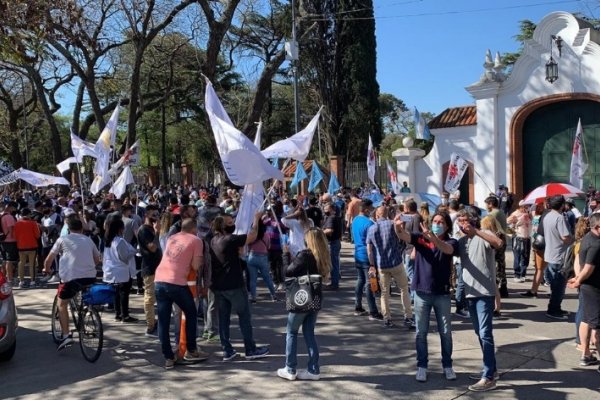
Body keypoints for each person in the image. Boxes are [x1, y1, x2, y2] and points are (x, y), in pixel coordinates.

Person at [394, 211, 458, 382]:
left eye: (441, 221)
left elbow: (448, 250)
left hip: (442, 294)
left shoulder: (451, 241)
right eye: (435, 221)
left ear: (447, 225)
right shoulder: (421, 238)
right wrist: (397, 227)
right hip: (421, 293)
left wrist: (434, 238)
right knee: (420, 333)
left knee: (445, 333)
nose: (437, 224)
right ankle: (422, 365)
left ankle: (447, 365)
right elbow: (404, 235)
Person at [210, 212, 270, 361]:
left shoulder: (214, 240)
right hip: (234, 285)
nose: (233, 225)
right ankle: (250, 349)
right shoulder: (230, 239)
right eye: (230, 223)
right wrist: (256, 218)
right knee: (244, 316)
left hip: (219, 286)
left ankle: (227, 350)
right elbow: (253, 236)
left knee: (224, 319)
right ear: (223, 226)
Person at [456, 210, 503, 392]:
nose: (462, 224)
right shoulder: (461, 241)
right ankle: (490, 368)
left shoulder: (485, 234)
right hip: (470, 292)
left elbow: (498, 243)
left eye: (466, 220)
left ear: (473, 221)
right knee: (479, 332)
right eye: (460, 221)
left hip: (485, 293)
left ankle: (489, 377)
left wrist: (476, 232)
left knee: (485, 333)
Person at [277, 228, 331, 381]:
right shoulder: (323, 255)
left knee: (292, 332)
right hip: (315, 297)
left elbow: (287, 272)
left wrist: (285, 254)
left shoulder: (305, 255)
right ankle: (313, 369)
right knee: (309, 334)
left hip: (301, 297)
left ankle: (290, 368)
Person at [154, 218, 210, 369]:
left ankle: (168, 356)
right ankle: (191, 349)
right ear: (194, 229)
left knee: (164, 321)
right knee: (191, 312)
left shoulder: (172, 237)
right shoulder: (196, 240)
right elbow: (196, 265)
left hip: (159, 279)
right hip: (177, 282)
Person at [43, 217, 101, 350]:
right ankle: (88, 312)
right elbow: (97, 259)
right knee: (84, 297)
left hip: (70, 278)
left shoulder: (63, 240)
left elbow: (48, 260)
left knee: (62, 304)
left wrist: (46, 269)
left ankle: (66, 335)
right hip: (90, 276)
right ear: (81, 228)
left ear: (68, 229)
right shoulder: (88, 239)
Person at [366, 206, 414, 328]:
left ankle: (387, 318)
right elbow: (402, 235)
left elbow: (369, 250)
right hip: (396, 262)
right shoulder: (392, 224)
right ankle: (408, 316)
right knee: (404, 289)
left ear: (377, 215)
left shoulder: (371, 229)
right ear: (387, 214)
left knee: (384, 292)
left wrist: (372, 265)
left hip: (381, 264)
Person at [568, 212, 600, 371]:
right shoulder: (596, 244)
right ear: (597, 227)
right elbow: (588, 268)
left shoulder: (586, 238)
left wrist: (577, 278)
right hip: (594, 289)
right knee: (597, 326)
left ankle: (586, 354)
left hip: (586, 287)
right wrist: (579, 280)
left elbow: (577, 261)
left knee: (586, 320)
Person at [102, 217, 138, 323]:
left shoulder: (108, 240)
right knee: (123, 294)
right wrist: (134, 251)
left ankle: (118, 314)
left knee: (117, 294)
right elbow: (124, 257)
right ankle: (125, 315)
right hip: (121, 271)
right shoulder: (119, 241)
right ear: (120, 229)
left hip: (112, 270)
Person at [351, 199, 382, 320]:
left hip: (358, 254)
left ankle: (358, 306)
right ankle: (373, 311)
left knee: (360, 280)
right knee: (370, 283)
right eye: (371, 208)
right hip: (368, 256)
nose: (372, 210)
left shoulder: (355, 220)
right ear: (366, 209)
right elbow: (374, 242)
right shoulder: (369, 224)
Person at [543, 195, 573, 320]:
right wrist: (573, 238)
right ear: (561, 205)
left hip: (551, 254)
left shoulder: (547, 216)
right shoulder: (559, 218)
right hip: (559, 256)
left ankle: (555, 308)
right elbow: (565, 237)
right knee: (559, 286)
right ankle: (553, 309)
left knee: (555, 285)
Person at [137, 205, 163, 336]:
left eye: (157, 214)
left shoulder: (152, 229)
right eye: (153, 214)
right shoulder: (144, 230)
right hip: (150, 268)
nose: (156, 217)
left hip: (160, 267)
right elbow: (152, 248)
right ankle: (150, 325)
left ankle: (157, 322)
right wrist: (157, 232)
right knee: (150, 298)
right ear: (146, 214)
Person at [246, 217, 277, 303]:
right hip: (263, 257)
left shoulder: (251, 235)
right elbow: (268, 246)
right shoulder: (266, 235)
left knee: (253, 279)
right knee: (267, 278)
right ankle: (273, 296)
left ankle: (253, 297)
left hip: (252, 256)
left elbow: (247, 245)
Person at [485, 196, 509, 298]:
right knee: (501, 264)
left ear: (490, 204)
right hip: (502, 240)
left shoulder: (492, 214)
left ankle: (496, 288)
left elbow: (486, 227)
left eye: (486, 204)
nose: (486, 206)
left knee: (492, 265)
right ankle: (503, 287)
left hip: (495, 241)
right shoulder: (501, 212)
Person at [13, 208, 41, 288]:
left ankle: (21, 282)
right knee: (32, 264)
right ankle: (32, 282)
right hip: (32, 246)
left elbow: (15, 236)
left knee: (21, 263)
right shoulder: (33, 223)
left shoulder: (17, 223)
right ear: (29, 214)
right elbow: (37, 235)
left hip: (21, 246)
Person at [507, 200, 532, 283]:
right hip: (518, 238)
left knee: (526, 257)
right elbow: (507, 223)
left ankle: (523, 274)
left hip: (527, 237)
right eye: (526, 206)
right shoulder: (515, 213)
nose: (527, 207)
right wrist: (513, 225)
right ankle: (517, 275)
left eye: (528, 206)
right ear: (521, 206)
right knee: (517, 256)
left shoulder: (528, 213)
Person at [322, 203, 342, 290]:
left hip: (332, 243)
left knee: (333, 264)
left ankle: (334, 284)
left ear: (331, 209)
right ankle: (334, 282)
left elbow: (330, 230)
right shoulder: (335, 217)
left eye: (326, 209)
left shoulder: (331, 218)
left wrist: (319, 232)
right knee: (334, 263)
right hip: (335, 242)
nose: (324, 211)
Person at [0, 201, 19, 285]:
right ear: (10, 207)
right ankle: (10, 279)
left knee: (4, 260)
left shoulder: (1, 215)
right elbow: (11, 230)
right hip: (10, 241)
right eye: (14, 208)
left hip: (2, 240)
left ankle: (3, 278)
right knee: (10, 260)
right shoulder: (9, 217)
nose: (15, 209)